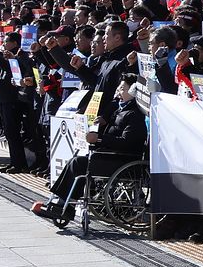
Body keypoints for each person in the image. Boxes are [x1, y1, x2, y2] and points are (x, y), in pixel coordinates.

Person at [31, 74, 146, 221]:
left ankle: (63, 205)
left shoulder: (134, 114)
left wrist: (99, 138)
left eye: (122, 88)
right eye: (119, 87)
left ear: (133, 92)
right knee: (76, 162)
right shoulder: (118, 109)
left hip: (121, 159)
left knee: (78, 164)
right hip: (108, 154)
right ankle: (59, 203)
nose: (118, 91)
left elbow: (126, 141)